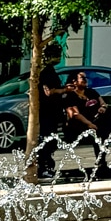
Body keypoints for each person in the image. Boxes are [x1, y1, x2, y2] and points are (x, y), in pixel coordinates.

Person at [35, 47, 66, 180]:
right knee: (47, 140)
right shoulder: (46, 72)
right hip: (47, 112)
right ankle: (44, 167)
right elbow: (48, 92)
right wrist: (64, 90)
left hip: (52, 111)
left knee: (51, 140)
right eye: (57, 55)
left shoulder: (49, 71)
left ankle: (47, 166)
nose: (59, 58)